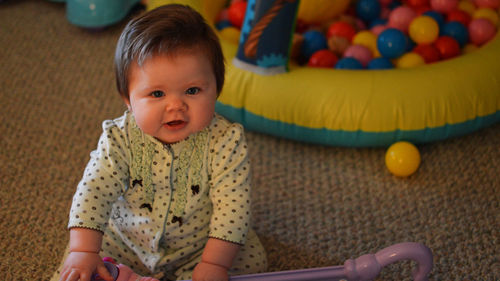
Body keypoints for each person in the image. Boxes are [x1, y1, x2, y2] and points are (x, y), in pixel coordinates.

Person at [51, 4, 267, 281]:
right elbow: (94, 190)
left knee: (250, 260)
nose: (176, 105)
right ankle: (123, 272)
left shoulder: (226, 141)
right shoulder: (119, 137)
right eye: (156, 93)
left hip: (200, 246)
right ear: (127, 99)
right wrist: (83, 249)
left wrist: (214, 264)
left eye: (192, 90)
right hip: (125, 243)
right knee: (76, 267)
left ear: (217, 89)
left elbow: (232, 207)